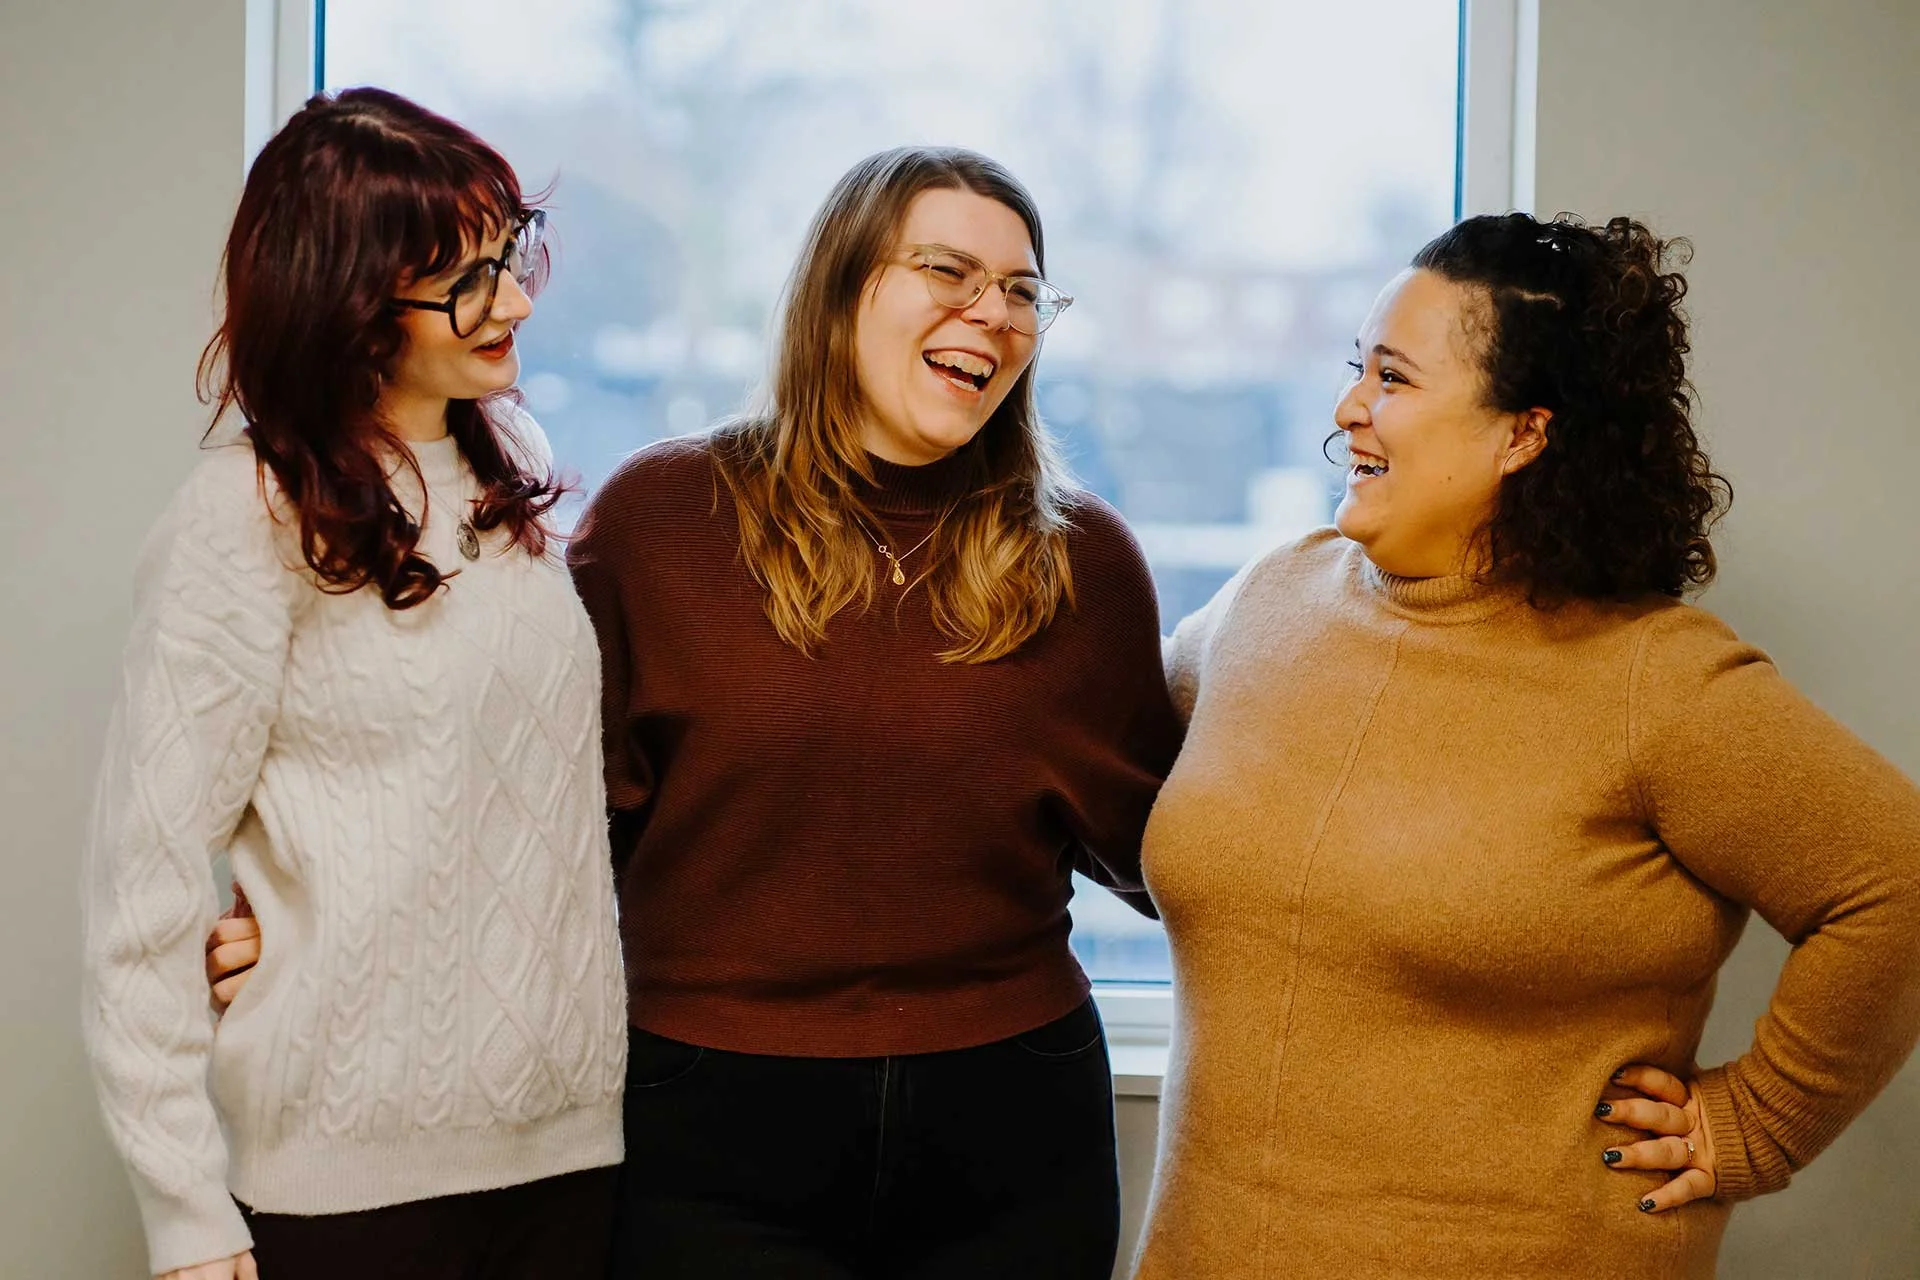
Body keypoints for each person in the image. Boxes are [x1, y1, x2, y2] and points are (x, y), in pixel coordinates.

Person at [1132, 212, 1920, 1278]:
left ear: (1523, 434)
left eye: (1396, 379)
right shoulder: (1268, 600)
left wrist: (1759, 1120)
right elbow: (1115, 778)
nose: (1349, 407)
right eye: (1358, 368)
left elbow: (1894, 877)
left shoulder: (1658, 679)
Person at [566, 145, 1181, 1279]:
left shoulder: (1084, 563)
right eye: (949, 270)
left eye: (1022, 291)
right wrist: (324, 926)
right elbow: (539, 829)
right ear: (844, 289)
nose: (991, 314)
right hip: (711, 1115)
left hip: (1013, 1120)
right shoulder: (661, 521)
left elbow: (1178, 853)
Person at [82, 88, 627, 1280]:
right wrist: (181, 1202)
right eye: (468, 281)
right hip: (350, 1188)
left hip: (571, 1157)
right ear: (350, 306)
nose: (519, 300)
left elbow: (520, 801)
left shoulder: (509, 470)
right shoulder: (244, 517)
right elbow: (148, 885)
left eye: (512, 252)